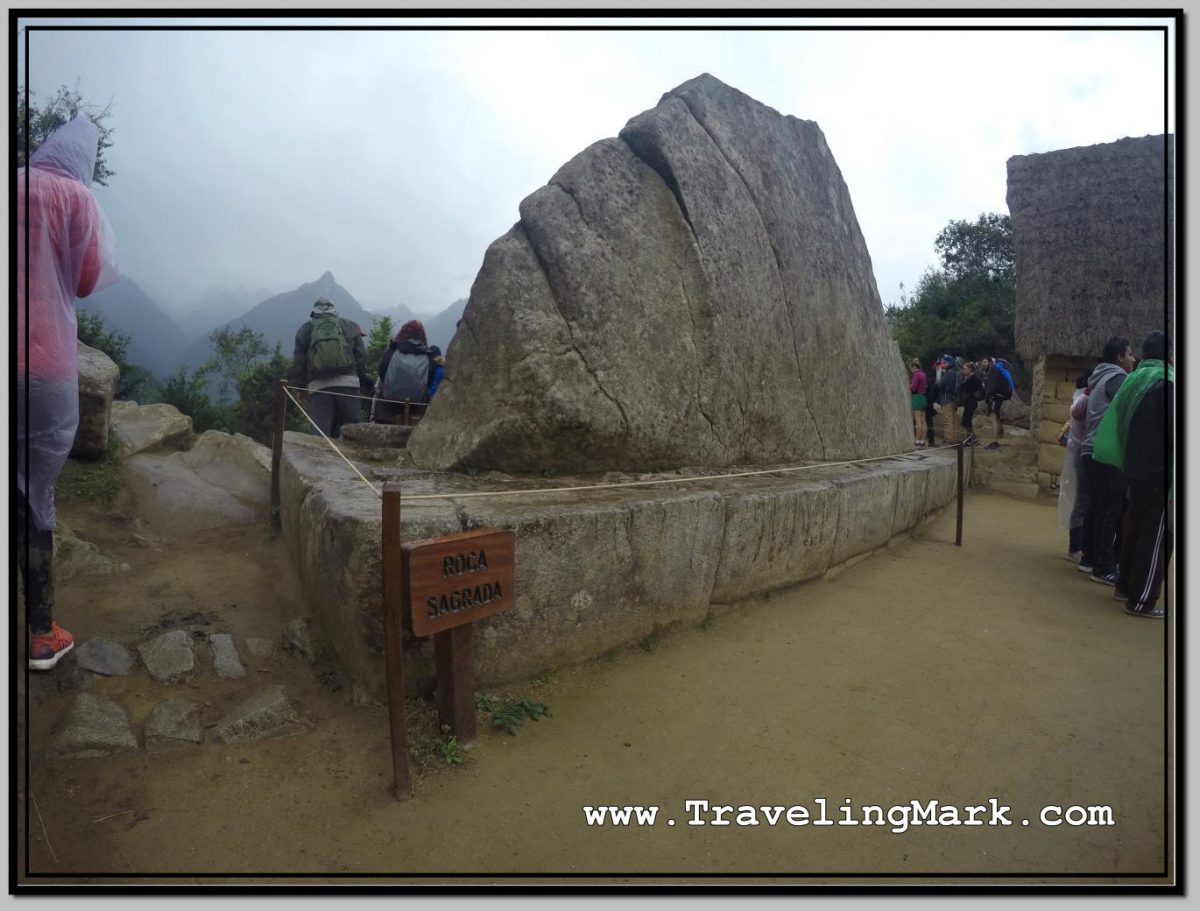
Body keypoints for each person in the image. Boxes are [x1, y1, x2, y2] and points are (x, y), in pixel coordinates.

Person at [18, 116, 120, 670]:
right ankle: (39, 633)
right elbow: (85, 280)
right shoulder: (78, 200)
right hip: (49, 368)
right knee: (36, 494)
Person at [1092, 331, 1173, 617]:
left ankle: (1124, 586)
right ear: (1170, 355)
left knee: (1132, 529)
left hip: (1134, 468)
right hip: (1160, 474)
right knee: (1156, 537)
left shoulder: (1134, 381)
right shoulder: (1167, 383)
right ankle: (1142, 600)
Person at [1077, 336, 1136, 584]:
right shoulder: (1117, 379)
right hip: (1107, 453)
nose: (1133, 359)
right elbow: (1129, 411)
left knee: (1098, 506)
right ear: (1119, 357)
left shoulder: (1100, 378)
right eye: (1130, 354)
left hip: (1090, 450)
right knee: (1109, 510)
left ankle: (1089, 558)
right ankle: (1104, 567)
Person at [287, 297, 374, 438]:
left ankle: (319, 459)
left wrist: (301, 389)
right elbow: (361, 358)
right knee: (353, 432)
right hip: (349, 384)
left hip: (318, 386)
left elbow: (298, 363)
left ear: (314, 312)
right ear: (334, 310)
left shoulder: (306, 329)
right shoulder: (349, 326)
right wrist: (361, 383)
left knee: (319, 435)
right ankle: (350, 460)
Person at [375, 320, 439, 425]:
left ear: (402, 333)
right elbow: (430, 381)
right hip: (417, 411)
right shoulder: (428, 356)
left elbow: (382, 374)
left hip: (387, 410)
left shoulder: (392, 351)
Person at [1059, 373, 1091, 562]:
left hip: (1076, 453)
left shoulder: (1078, 398)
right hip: (1082, 454)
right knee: (1082, 501)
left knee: (1079, 500)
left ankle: (1076, 546)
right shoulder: (1084, 400)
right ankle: (1076, 547)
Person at [982, 356, 1014, 450]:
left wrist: (988, 397)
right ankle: (999, 435)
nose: (983, 364)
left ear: (990, 363)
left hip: (995, 397)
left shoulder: (993, 370)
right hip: (999, 396)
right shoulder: (996, 370)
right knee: (996, 417)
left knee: (993, 418)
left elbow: (992, 386)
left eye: (984, 362)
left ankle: (995, 442)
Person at [932, 354, 961, 444]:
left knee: (947, 420)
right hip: (953, 399)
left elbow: (939, 385)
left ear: (949, 363)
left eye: (944, 362)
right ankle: (953, 438)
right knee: (952, 420)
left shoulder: (949, 373)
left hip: (946, 399)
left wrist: (938, 374)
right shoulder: (955, 373)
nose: (942, 364)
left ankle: (949, 439)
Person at [957, 361, 983, 445]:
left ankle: (972, 439)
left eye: (965, 368)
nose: (963, 370)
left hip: (971, 401)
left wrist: (974, 396)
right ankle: (971, 438)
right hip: (968, 401)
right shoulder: (968, 378)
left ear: (970, 369)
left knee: (966, 420)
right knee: (966, 420)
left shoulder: (974, 378)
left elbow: (981, 390)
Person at [908, 359, 928, 447]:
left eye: (911, 368)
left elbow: (913, 387)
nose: (911, 370)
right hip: (923, 398)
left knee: (918, 421)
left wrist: (908, 385)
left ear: (914, 367)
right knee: (924, 421)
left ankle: (917, 441)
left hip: (917, 398)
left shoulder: (916, 375)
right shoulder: (923, 374)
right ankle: (923, 441)